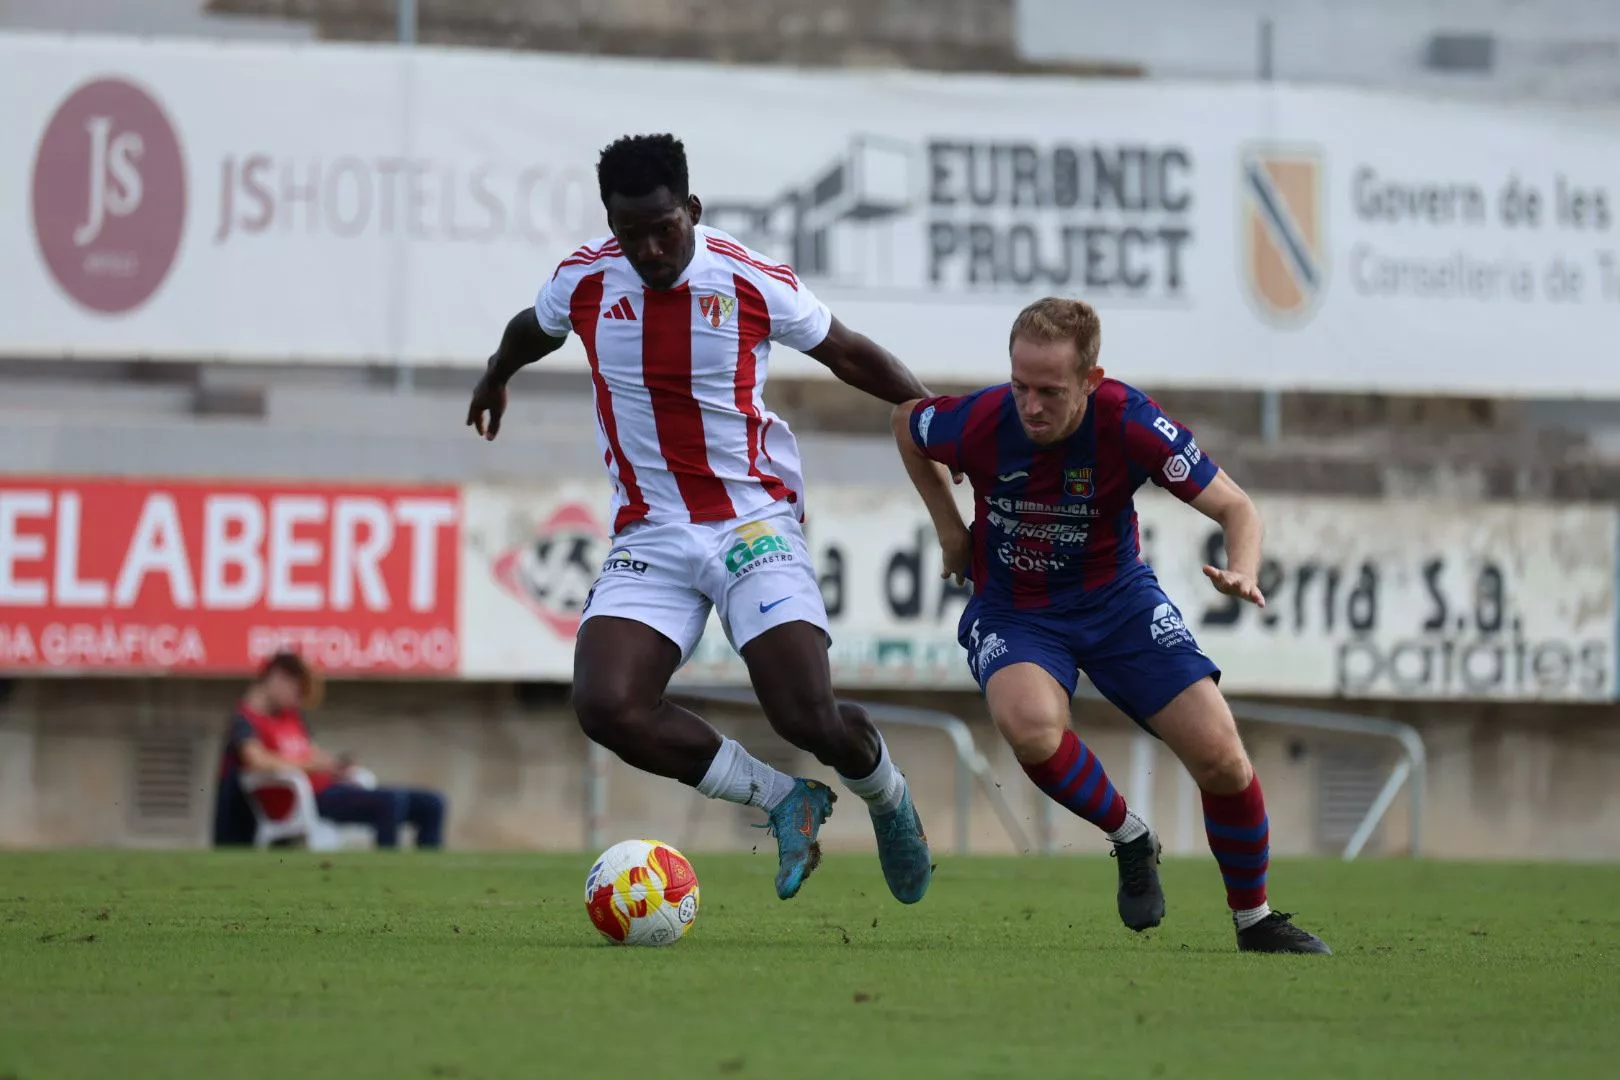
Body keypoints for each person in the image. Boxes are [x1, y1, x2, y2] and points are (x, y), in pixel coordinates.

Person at [465, 133, 934, 905]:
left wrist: (935, 416)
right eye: (631, 233)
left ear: (692, 209)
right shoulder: (586, 281)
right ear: (611, 224)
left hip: (752, 521)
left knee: (807, 716)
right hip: (651, 532)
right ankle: (784, 800)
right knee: (606, 705)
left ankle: (888, 798)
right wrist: (495, 375)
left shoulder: (747, 279)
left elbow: (847, 352)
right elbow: (532, 327)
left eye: (664, 228)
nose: (650, 249)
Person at [889, 296, 1331, 954]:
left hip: (1117, 601)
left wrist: (1243, 569)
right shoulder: (980, 420)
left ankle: (1255, 921)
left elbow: (1237, 508)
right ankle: (1129, 836)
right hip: (1017, 608)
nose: (1030, 406)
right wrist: (951, 530)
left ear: (1091, 380)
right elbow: (906, 421)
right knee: (1030, 726)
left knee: (1222, 758)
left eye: (1049, 391)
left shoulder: (1131, 422)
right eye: (1020, 385)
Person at [212, 651, 447, 850]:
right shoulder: (246, 720)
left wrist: (335, 766)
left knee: (432, 803)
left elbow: (312, 753)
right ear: (278, 678)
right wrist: (310, 766)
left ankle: (428, 873)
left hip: (329, 787)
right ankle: (388, 874)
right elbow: (257, 761)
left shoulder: (291, 718)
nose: (298, 700)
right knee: (391, 802)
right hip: (309, 798)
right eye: (297, 691)